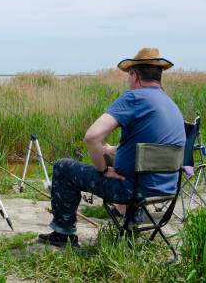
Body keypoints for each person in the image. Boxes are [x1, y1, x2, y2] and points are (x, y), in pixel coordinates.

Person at [39, 47, 186, 247]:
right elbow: (148, 147)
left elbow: (92, 137)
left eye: (129, 75)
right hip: (166, 189)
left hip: (130, 191)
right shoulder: (171, 105)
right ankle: (132, 224)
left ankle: (64, 234)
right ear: (159, 76)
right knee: (119, 162)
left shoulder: (133, 98)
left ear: (134, 75)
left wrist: (103, 170)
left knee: (63, 167)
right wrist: (111, 152)